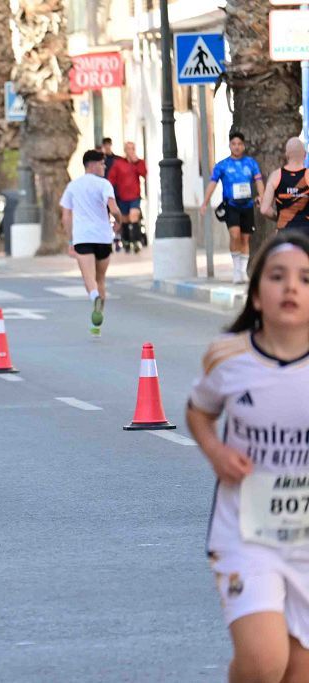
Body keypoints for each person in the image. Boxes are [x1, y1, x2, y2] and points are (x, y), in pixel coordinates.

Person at [186, 231, 309, 683]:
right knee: (263, 662)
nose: (291, 288)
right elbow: (198, 411)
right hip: (246, 535)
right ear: (257, 295)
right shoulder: (229, 358)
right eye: (278, 277)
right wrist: (216, 452)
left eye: (305, 278)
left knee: (298, 672)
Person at [59, 149, 124, 335]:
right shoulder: (105, 185)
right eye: (102, 164)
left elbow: (66, 215)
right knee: (100, 278)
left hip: (83, 238)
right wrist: (118, 223)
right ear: (92, 164)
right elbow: (114, 208)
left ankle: (94, 297)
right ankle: (97, 325)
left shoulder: (73, 186)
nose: (104, 167)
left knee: (89, 278)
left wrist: (70, 238)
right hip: (103, 237)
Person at [200, 132, 265, 284]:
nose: (236, 147)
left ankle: (243, 271)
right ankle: (236, 269)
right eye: (234, 144)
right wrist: (205, 202)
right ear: (230, 145)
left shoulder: (251, 163)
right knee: (235, 235)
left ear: (243, 146)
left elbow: (259, 181)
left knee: (245, 238)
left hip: (247, 205)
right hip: (231, 205)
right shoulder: (222, 165)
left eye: (239, 144)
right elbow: (212, 183)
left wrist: (261, 197)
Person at [261, 137, 309, 238]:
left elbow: (264, 209)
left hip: (284, 231)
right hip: (306, 232)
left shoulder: (276, 176)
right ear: (305, 155)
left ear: (286, 155)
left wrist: (278, 217)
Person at [106, 142, 147, 253]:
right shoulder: (118, 164)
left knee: (134, 215)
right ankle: (127, 242)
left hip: (135, 196)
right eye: (128, 148)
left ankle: (136, 242)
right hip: (122, 196)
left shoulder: (139, 162)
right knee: (125, 219)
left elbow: (144, 173)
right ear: (125, 150)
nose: (131, 151)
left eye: (132, 148)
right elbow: (111, 178)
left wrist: (137, 162)